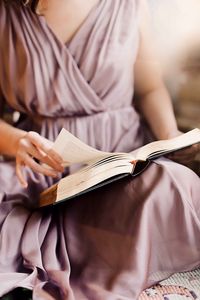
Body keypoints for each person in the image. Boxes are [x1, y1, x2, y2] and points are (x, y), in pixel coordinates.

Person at [0, 0, 199, 299]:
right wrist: (16, 141)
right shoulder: (7, 13)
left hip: (122, 154)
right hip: (41, 164)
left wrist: (170, 134)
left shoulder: (127, 4)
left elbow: (149, 88)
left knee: (174, 187)